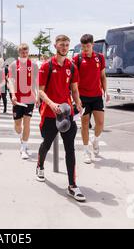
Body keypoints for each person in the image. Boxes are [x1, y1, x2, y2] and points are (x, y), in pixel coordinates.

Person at [36, 34, 86, 202]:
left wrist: (77, 102)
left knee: (70, 148)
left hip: (66, 112)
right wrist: (51, 104)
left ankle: (72, 186)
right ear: (55, 45)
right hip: (50, 114)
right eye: (61, 44)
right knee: (46, 144)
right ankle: (40, 166)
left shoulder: (72, 67)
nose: (64, 47)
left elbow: (74, 89)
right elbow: (40, 91)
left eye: (66, 45)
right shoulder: (46, 66)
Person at [73, 34, 109, 164]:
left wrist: (106, 91)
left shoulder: (100, 58)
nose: (85, 49)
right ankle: (86, 151)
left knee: (100, 123)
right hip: (83, 97)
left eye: (88, 46)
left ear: (92, 45)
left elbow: (103, 76)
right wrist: (75, 98)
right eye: (83, 47)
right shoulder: (77, 59)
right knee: (84, 125)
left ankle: (95, 140)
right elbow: (74, 81)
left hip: (97, 96)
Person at [8, 43, 39, 160]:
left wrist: (37, 96)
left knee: (27, 123)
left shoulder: (33, 65)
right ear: (19, 53)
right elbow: (10, 81)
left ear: (28, 52)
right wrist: (13, 94)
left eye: (26, 52)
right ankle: (22, 140)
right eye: (22, 52)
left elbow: (36, 81)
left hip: (29, 98)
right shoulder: (13, 65)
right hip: (18, 99)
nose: (24, 54)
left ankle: (24, 147)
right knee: (17, 126)